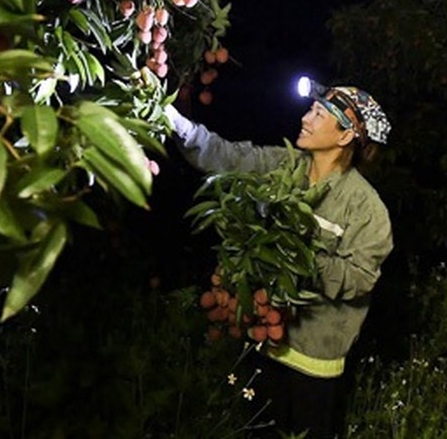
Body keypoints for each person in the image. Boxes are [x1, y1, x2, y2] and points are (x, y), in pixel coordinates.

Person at [165, 80, 393, 438]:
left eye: (319, 114)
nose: (306, 118)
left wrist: (302, 255)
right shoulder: (284, 165)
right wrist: (177, 123)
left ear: (346, 136)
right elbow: (229, 157)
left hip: (314, 365)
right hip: (264, 345)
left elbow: (361, 278)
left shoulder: (366, 208)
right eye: (310, 110)